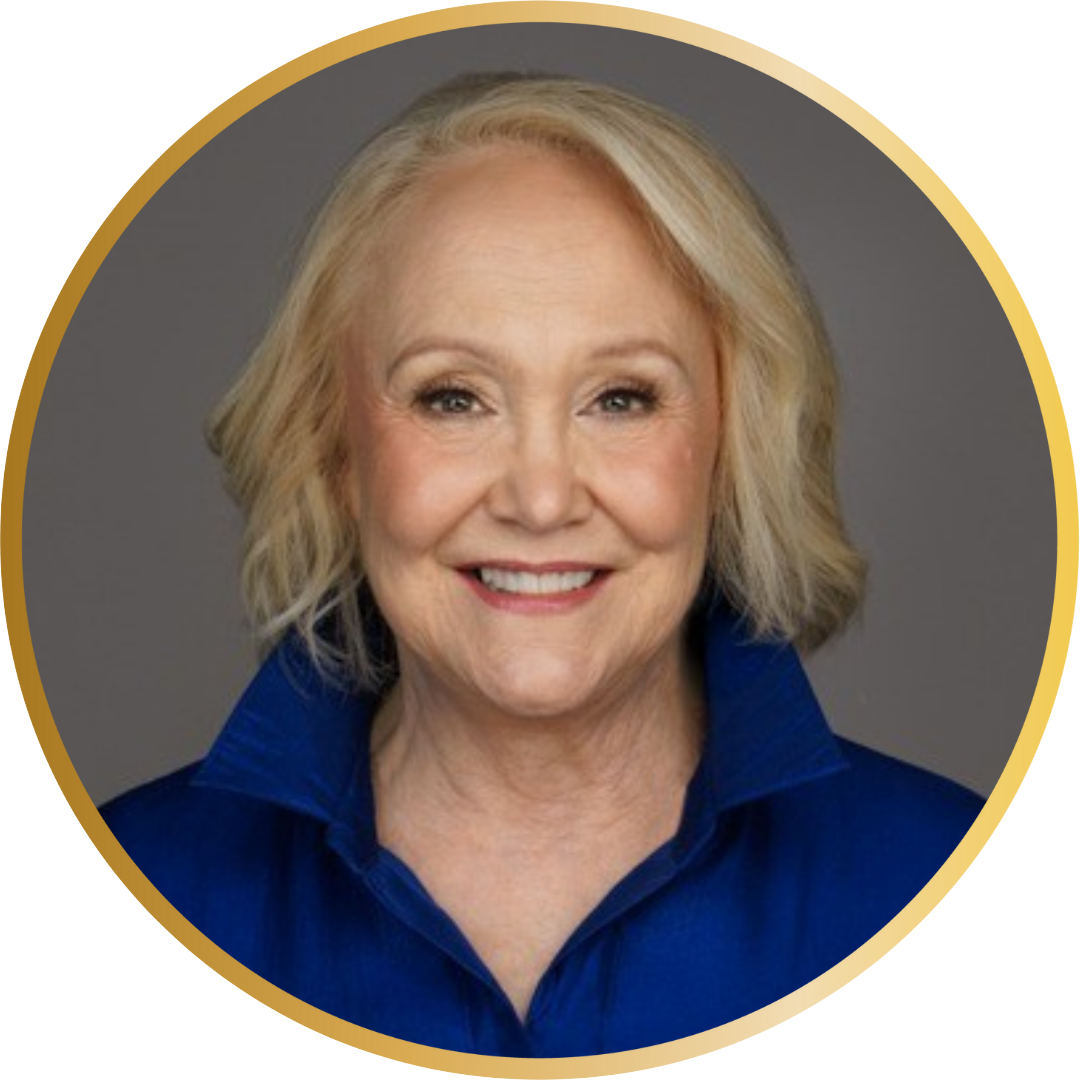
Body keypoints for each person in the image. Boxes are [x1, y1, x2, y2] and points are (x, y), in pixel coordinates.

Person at [102, 73, 983, 1057]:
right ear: (335, 449)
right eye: (452, 398)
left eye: (621, 398)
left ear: (734, 445)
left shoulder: (963, 906)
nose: (541, 497)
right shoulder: (107, 919)